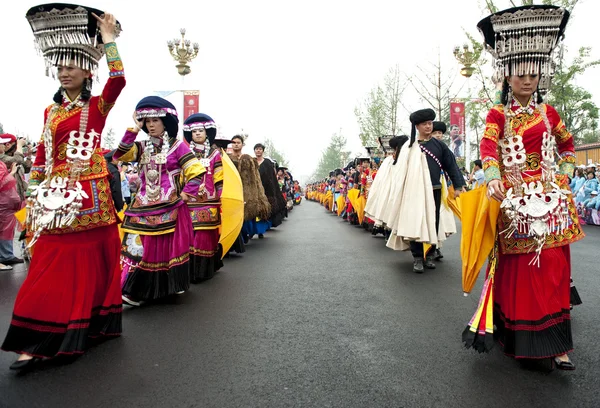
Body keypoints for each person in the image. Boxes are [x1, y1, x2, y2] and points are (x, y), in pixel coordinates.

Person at [1, 7, 125, 371]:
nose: (64, 71)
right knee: (49, 261)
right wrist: (36, 190)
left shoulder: (98, 106)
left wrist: (109, 41)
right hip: (55, 199)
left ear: (87, 71)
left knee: (93, 263)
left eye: (71, 65)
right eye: (60, 66)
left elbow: (118, 79)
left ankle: (87, 325)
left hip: (93, 197)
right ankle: (39, 336)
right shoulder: (49, 113)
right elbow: (42, 153)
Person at [467, 5, 583, 370]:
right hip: (513, 196)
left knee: (553, 265)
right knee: (519, 269)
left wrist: (564, 172)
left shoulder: (549, 114)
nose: (527, 80)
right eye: (520, 74)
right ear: (507, 76)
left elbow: (567, 145)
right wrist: (493, 175)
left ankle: (557, 343)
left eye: (533, 73)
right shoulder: (496, 115)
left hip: (550, 198)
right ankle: (517, 333)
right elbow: (488, 147)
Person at [115, 97, 206, 306]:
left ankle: (158, 288)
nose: (151, 125)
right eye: (147, 121)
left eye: (155, 120)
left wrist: (185, 195)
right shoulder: (141, 146)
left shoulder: (177, 147)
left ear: (165, 122)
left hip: (169, 207)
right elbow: (120, 154)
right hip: (141, 207)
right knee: (137, 249)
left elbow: (196, 172)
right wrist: (134, 128)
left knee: (162, 251)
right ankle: (133, 288)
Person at [386, 109, 465, 273]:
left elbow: (451, 165)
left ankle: (429, 255)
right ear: (417, 126)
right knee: (415, 221)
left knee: (433, 222)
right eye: (425, 124)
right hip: (413, 192)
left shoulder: (439, 146)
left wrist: (458, 185)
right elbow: (400, 172)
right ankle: (417, 258)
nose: (429, 126)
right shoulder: (409, 148)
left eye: (430, 123)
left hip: (434, 189)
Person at [183, 113, 224, 282]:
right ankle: (189, 271)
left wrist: (220, 196)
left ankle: (203, 270)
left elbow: (219, 177)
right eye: (194, 132)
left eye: (201, 130)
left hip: (209, 201)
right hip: (189, 200)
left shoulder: (215, 154)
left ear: (207, 133)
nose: (198, 134)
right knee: (189, 235)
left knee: (205, 235)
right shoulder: (185, 152)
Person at [254, 143, 286, 231]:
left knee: (266, 207)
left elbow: (271, 176)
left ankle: (263, 226)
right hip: (255, 188)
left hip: (266, 188)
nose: (258, 150)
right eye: (256, 149)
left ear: (263, 151)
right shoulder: (252, 161)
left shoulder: (267, 162)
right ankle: (255, 228)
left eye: (260, 149)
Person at [0, 162, 21, 271]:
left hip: (7, 206)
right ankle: (5, 256)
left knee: (7, 231)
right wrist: (12, 173)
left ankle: (7, 255)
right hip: (3, 204)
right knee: (4, 231)